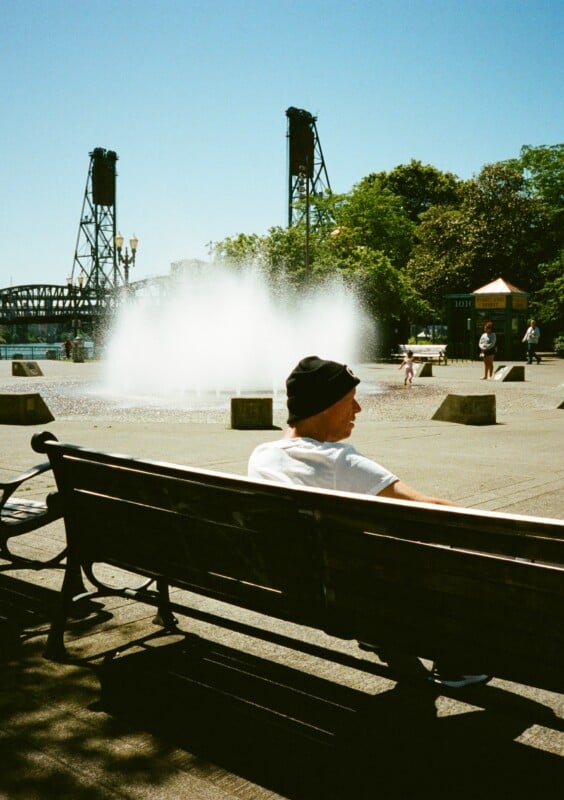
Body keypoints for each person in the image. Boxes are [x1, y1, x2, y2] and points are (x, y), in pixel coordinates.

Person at [248, 355, 490, 688]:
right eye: (350, 401)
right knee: (457, 553)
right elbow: (431, 509)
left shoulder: (261, 456)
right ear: (325, 406)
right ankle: (454, 659)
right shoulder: (339, 461)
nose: (358, 409)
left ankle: (385, 633)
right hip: (354, 597)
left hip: (298, 587)